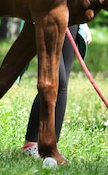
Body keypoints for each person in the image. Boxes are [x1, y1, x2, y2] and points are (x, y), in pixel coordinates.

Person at [21, 23, 91, 159]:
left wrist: (83, 23)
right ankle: (30, 144)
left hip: (72, 18)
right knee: (57, 80)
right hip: (48, 16)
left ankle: (52, 148)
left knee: (62, 85)